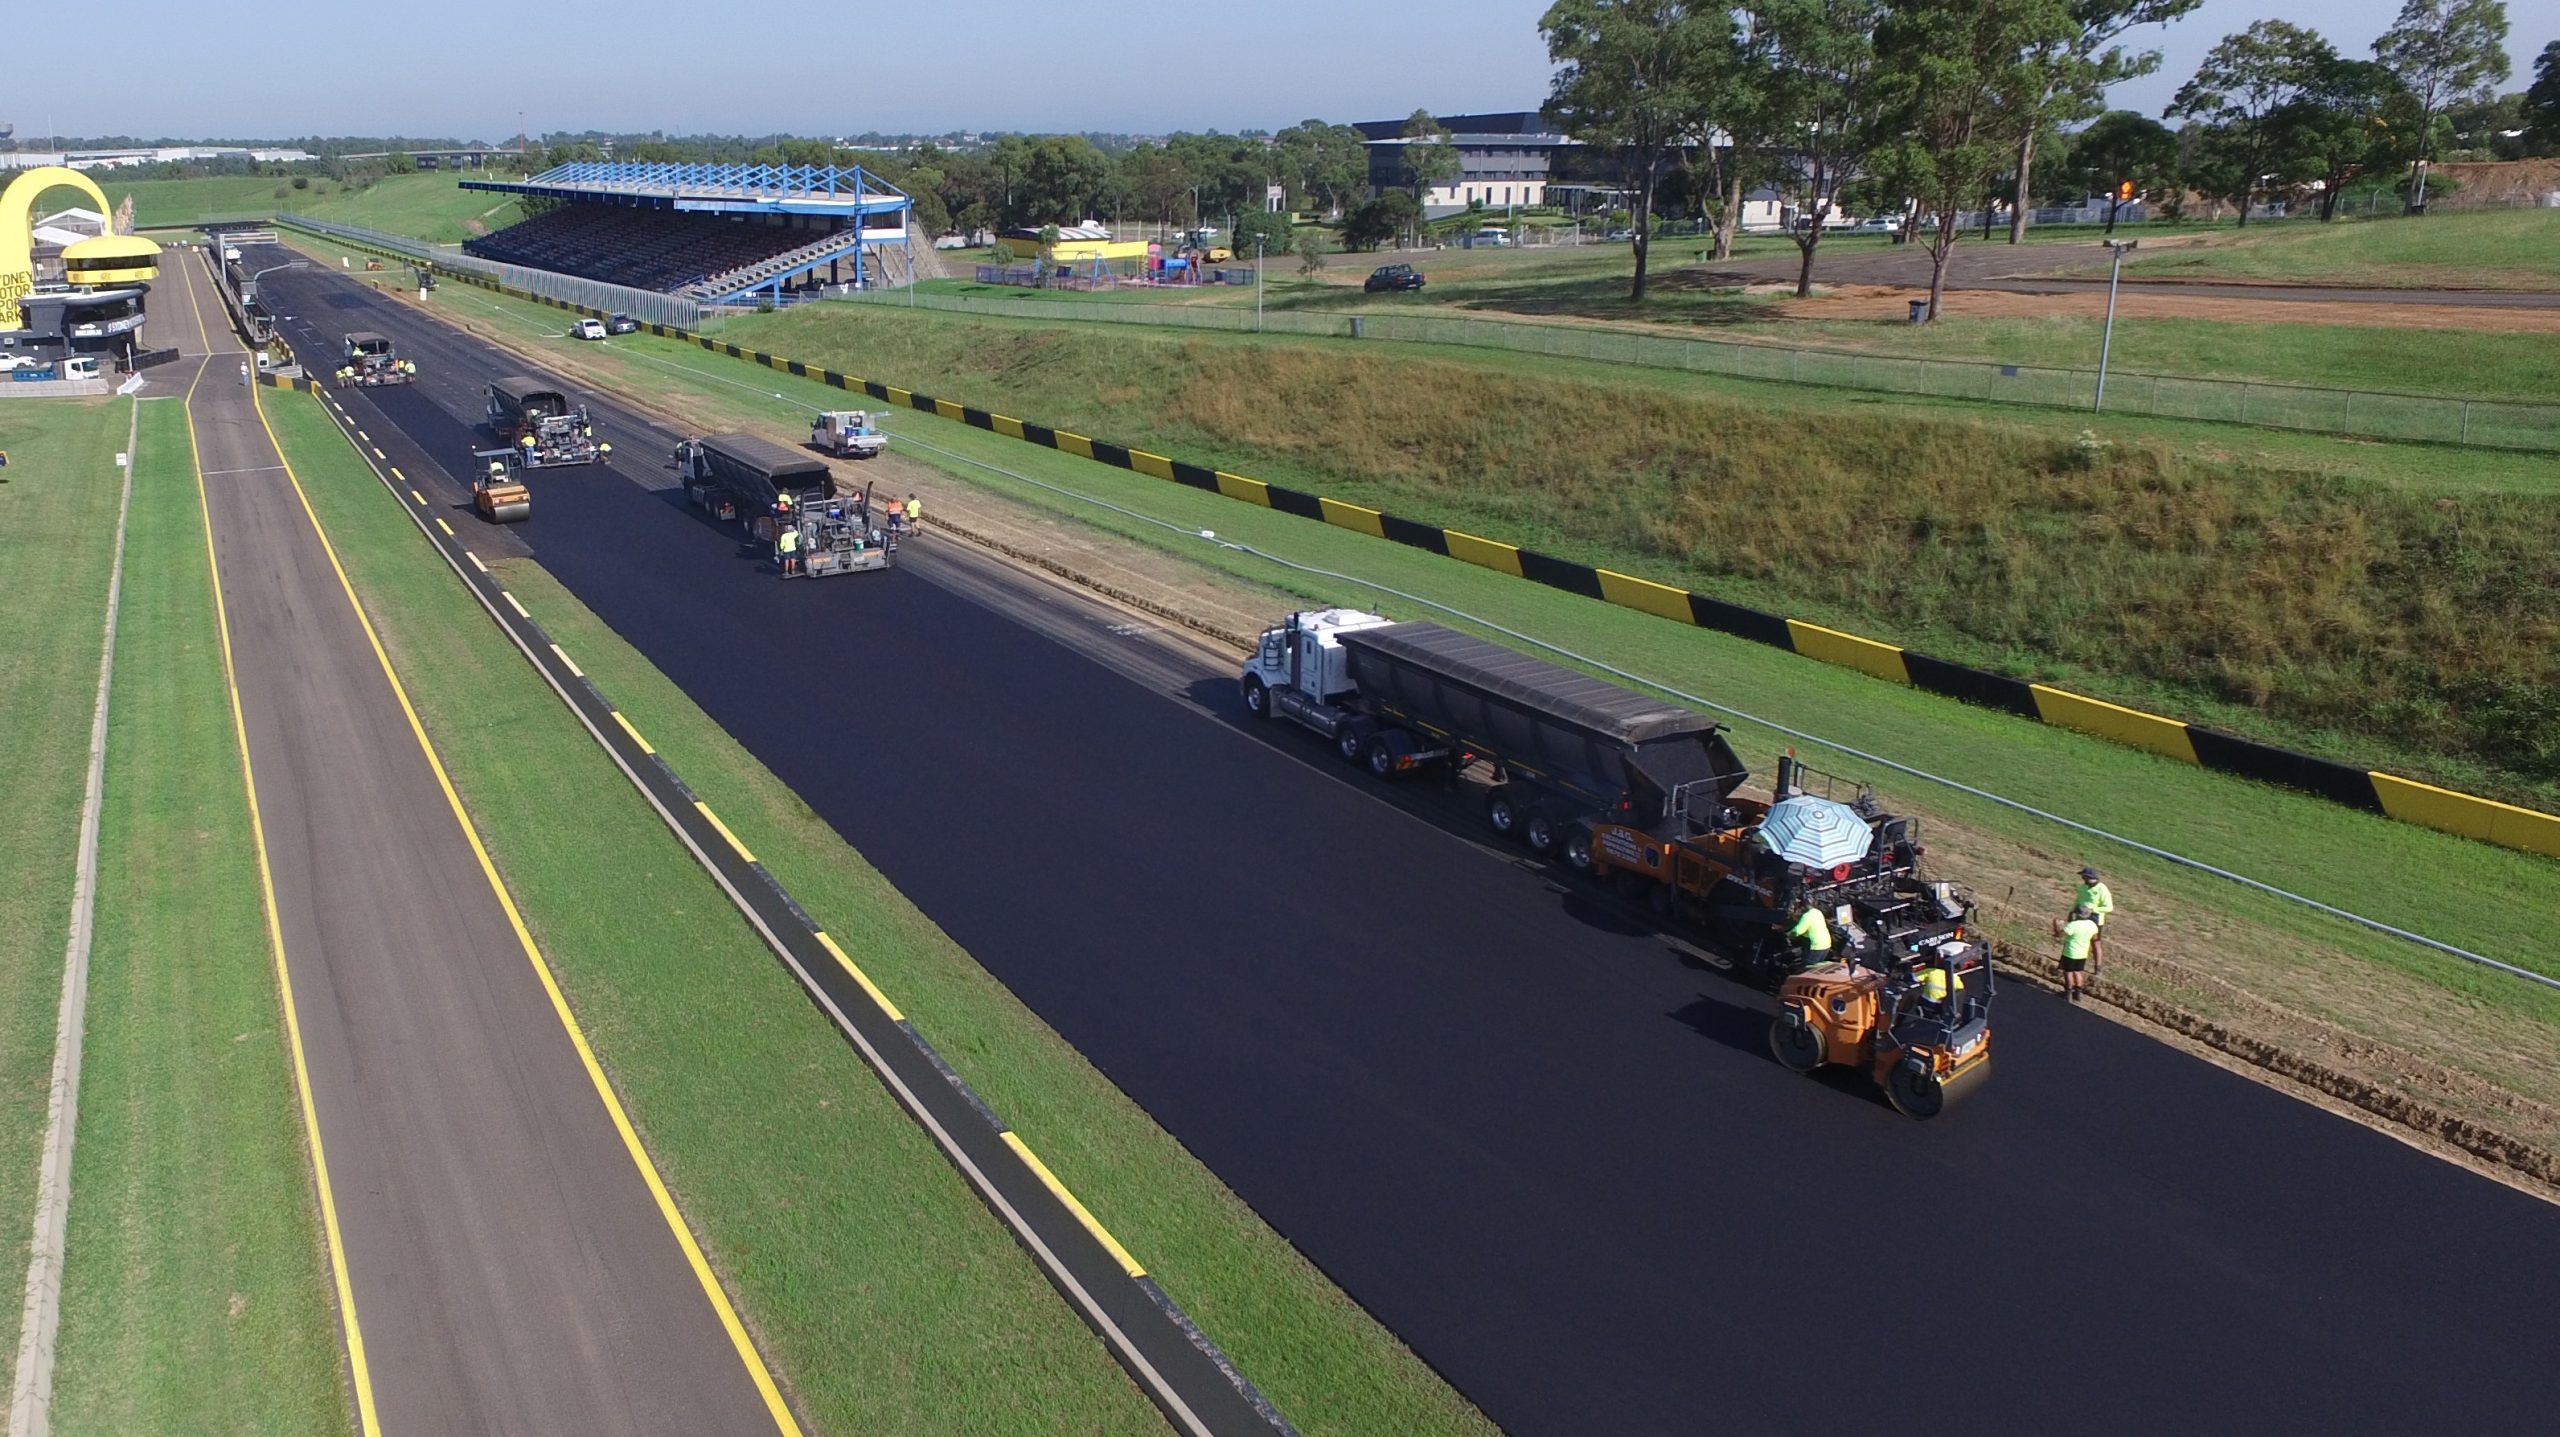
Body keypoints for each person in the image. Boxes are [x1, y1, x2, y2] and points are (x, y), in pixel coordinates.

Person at [2053, 907, 2100, 1003]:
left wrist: (2058, 926)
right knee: (2078, 972)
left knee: (2068, 972)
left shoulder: (2073, 925)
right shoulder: (2092, 925)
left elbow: (2060, 935)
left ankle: (2068, 992)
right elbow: (2094, 937)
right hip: (2082, 953)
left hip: (2070, 952)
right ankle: (2078, 993)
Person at [2075, 866, 2115, 969]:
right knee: (2077, 939)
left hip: (2095, 919)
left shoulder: (2102, 889)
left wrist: (2093, 909)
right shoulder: (2084, 887)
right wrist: (2072, 911)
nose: (2082, 879)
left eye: (2084, 877)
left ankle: (2098, 967)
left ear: (2089, 877)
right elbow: (2078, 900)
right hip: (2081, 915)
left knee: (2095, 942)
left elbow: (2109, 907)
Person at [1785, 901, 1832, 972]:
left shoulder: (1806, 916)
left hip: (1816, 947)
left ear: (1802, 908)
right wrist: (1793, 915)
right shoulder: (1817, 912)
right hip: (1826, 944)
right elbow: (1803, 920)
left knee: (1808, 969)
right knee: (1818, 969)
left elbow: (1797, 931)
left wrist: (1788, 935)